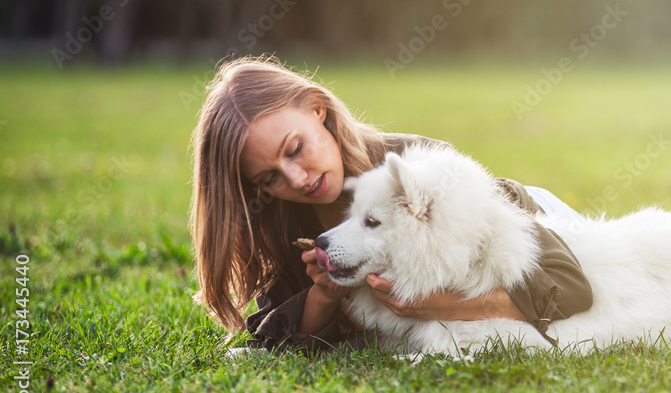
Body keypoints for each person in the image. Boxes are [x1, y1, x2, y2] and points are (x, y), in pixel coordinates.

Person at [189, 56, 593, 353]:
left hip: (542, 219)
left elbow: (570, 287)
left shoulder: (421, 170)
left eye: (295, 148)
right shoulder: (280, 216)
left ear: (317, 109)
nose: (296, 179)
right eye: (270, 177)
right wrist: (325, 295)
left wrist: (440, 306)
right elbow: (278, 340)